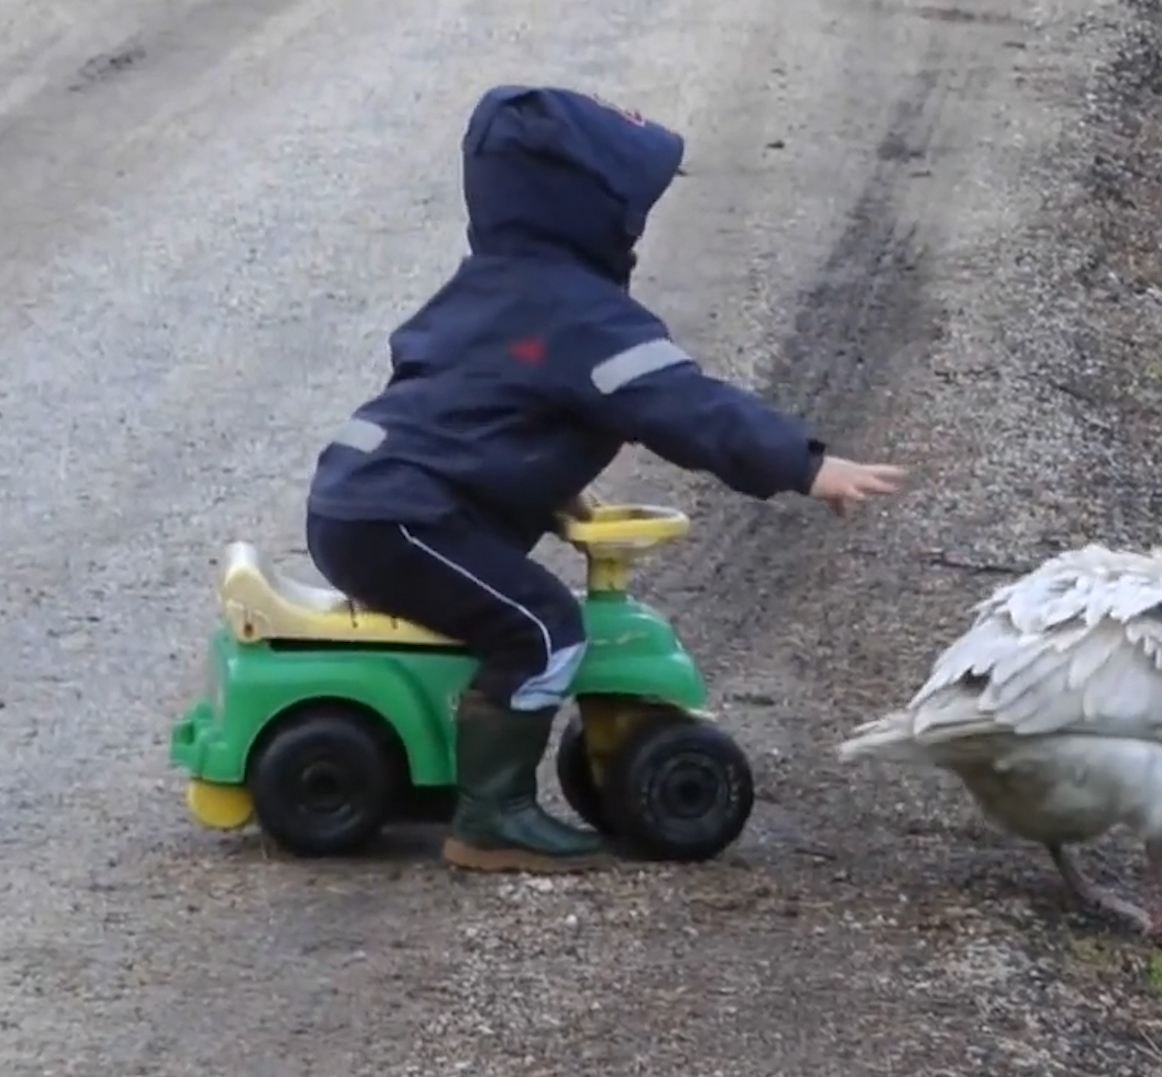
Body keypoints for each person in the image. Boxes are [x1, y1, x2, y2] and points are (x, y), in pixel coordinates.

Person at [304, 85, 906, 874]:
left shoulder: (486, 286)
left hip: (361, 500)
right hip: (403, 516)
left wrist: (538, 481)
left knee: (502, 611)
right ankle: (491, 819)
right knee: (543, 627)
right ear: (585, 211)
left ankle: (471, 776)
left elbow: (465, 397)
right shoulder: (583, 320)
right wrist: (805, 462)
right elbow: (687, 405)